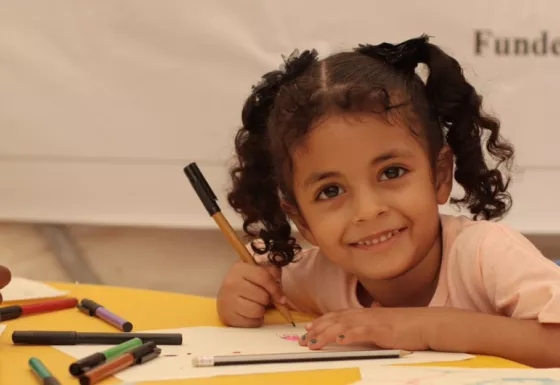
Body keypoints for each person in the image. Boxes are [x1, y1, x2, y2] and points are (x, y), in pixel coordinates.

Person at [216, 35, 560, 367]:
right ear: (303, 220)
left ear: (439, 175)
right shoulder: (320, 274)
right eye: (330, 191)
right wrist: (242, 290)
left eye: (392, 172)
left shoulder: (488, 254)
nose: (368, 211)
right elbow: (260, 271)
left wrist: (422, 327)